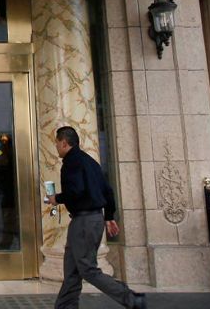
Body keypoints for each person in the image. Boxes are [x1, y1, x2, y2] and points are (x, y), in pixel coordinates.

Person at [45, 126, 146, 309]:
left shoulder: (71, 163)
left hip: (83, 222)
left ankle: (131, 298)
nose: (56, 147)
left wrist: (56, 198)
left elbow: (76, 191)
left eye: (57, 143)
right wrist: (109, 216)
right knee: (72, 269)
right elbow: (107, 191)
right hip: (92, 219)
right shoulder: (90, 162)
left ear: (64, 143)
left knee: (88, 269)